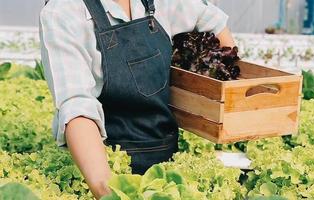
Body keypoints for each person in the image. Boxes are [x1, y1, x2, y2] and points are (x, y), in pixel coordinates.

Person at [39, 0, 236, 199]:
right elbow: (77, 109)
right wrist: (109, 191)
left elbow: (212, 21)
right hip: (104, 167)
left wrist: (222, 72)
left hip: (167, 161)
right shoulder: (63, 12)